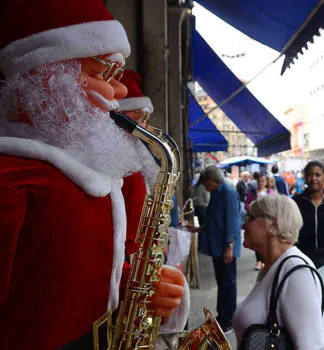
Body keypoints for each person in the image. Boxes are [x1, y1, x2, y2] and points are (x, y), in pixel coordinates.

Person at [0, 1, 186, 348]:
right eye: (103, 75)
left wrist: (139, 285)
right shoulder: (12, 182)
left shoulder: (88, 178)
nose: (121, 94)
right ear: (46, 80)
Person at [233, 194, 324, 349]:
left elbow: (312, 346)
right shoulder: (273, 266)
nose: (244, 226)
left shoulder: (295, 270)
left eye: (251, 218)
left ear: (273, 225)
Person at [199, 165, 241, 332]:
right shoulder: (217, 194)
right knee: (222, 283)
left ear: (211, 180)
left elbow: (232, 222)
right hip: (218, 247)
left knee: (228, 283)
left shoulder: (227, 193)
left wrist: (229, 247)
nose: (205, 186)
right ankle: (222, 315)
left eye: (206, 183)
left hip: (225, 248)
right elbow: (215, 220)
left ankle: (228, 319)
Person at [245, 175, 274, 271]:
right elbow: (247, 205)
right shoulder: (252, 193)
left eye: (263, 181)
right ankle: (258, 261)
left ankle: (266, 260)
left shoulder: (270, 192)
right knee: (257, 240)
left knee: (267, 240)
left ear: (266, 182)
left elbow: (274, 205)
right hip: (255, 219)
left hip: (267, 220)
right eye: (259, 181)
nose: (261, 183)